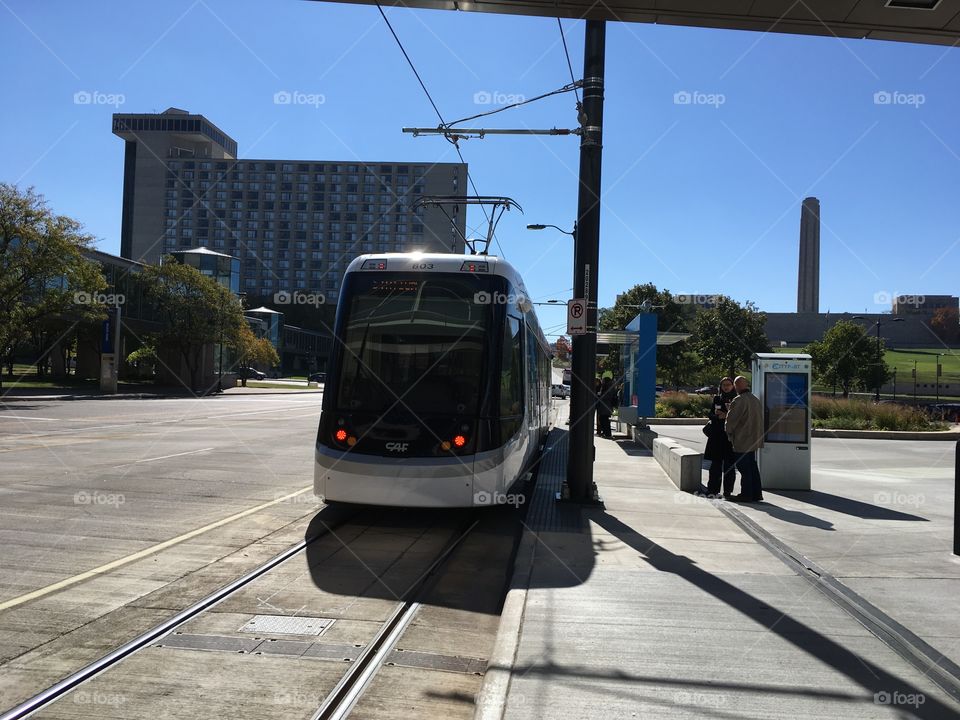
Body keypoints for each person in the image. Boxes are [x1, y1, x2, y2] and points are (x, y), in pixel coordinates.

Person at [724, 376, 764, 503]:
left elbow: (731, 421)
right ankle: (756, 493)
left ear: (736, 386)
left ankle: (746, 494)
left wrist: (728, 432)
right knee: (752, 466)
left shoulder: (739, 400)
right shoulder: (755, 400)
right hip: (754, 438)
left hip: (742, 439)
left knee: (743, 468)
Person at [703, 377, 737, 498]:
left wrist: (726, 415)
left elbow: (739, 416)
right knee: (715, 465)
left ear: (733, 386)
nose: (726, 387)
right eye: (723, 385)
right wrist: (718, 417)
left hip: (729, 437)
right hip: (716, 436)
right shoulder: (717, 398)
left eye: (728, 384)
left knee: (729, 465)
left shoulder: (736, 399)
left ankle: (728, 491)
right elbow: (710, 414)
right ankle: (712, 489)